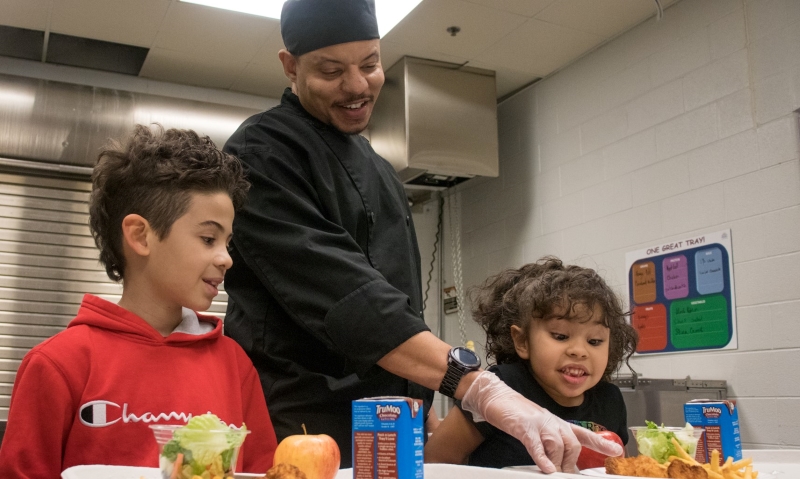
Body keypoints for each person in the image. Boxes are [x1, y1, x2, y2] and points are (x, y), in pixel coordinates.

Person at [222, 0, 622, 472]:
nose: (357, 86)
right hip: (302, 416)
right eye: (331, 71)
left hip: (394, 416)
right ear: (289, 66)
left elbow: (399, 303)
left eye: (369, 64)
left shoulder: (380, 170)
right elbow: (348, 298)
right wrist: (474, 384)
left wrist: (421, 398)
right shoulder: (262, 153)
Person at [0, 125, 278, 477]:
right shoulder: (58, 365)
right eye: (208, 238)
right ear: (140, 236)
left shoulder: (234, 366)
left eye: (227, 242)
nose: (226, 258)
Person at [425, 257, 638, 468]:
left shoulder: (610, 400)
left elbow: (619, 469)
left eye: (595, 341)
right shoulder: (501, 388)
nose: (579, 351)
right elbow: (434, 460)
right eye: (561, 336)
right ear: (522, 341)